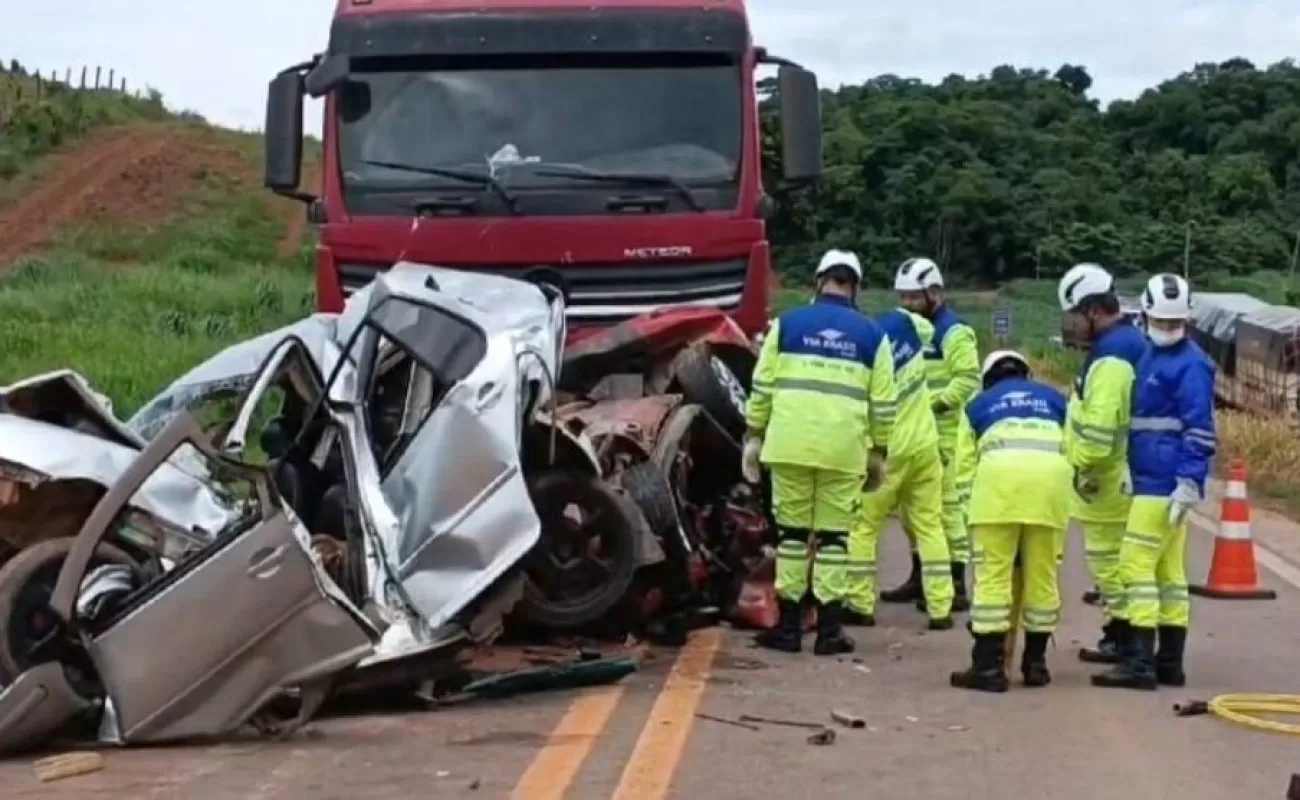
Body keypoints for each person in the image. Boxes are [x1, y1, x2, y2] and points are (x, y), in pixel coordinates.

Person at [742, 248, 898, 655]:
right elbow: (884, 404)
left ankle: (788, 628)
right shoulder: (872, 334)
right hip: (843, 451)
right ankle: (829, 632)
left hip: (789, 445)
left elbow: (762, 387)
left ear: (818, 281)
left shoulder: (787, 325)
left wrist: (753, 435)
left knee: (792, 537)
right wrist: (878, 452)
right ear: (856, 287)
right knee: (833, 540)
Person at [1092, 273, 1215, 690]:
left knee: (1134, 565)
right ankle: (1169, 663)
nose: (1166, 329)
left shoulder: (1191, 364)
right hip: (1149, 476)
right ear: (1144, 316)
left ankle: (1140, 662)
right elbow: (1141, 423)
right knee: (1168, 573)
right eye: (1161, 322)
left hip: (1163, 484)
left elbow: (1199, 430)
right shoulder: (1151, 357)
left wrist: (1188, 481)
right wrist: (1128, 463)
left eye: (1173, 323)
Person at [949, 350, 1072, 692]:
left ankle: (988, 668)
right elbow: (1074, 450)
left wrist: (967, 513)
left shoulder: (978, 405)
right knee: (1043, 577)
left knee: (992, 578)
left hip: (997, 494)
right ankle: (1035, 664)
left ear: (988, 378)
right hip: (1049, 494)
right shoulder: (1056, 401)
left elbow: (963, 468)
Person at [1057, 263, 1150, 667]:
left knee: (1109, 560)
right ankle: (1120, 634)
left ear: (1093, 311)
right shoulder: (1127, 343)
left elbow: (1100, 428)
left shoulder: (1112, 356)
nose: (1072, 326)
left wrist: (1082, 465)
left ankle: (1126, 636)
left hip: (1107, 478)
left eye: (1075, 317)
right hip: (1119, 473)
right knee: (1114, 560)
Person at [845, 307, 956, 630]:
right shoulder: (902, 322)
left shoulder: (864, 350)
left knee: (864, 526)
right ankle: (941, 608)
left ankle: (860, 604)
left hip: (889, 451)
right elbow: (927, 330)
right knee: (930, 527)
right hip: (925, 445)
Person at [881, 257, 980, 612]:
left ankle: (955, 583)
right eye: (902, 298)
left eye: (914, 297)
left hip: (949, 436)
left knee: (949, 512)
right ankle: (920, 577)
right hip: (920, 435)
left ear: (934, 293)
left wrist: (933, 405)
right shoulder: (911, 329)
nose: (907, 305)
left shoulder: (954, 331)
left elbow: (968, 379)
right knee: (914, 513)